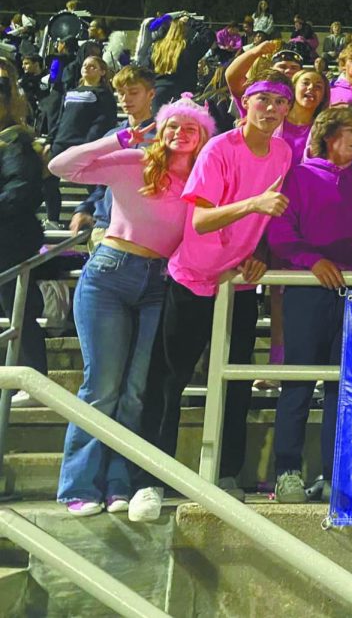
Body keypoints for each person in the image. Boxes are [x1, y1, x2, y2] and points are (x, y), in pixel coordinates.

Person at [129, 75, 294, 522]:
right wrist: (252, 205)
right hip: (190, 279)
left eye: (281, 102)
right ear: (245, 103)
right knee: (169, 383)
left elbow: (267, 215)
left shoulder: (283, 151)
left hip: (236, 283)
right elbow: (200, 220)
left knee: (236, 381)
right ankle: (148, 481)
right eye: (263, 99)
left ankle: (225, 475)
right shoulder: (219, 148)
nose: (272, 108)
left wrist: (258, 252)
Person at [50, 96, 214, 516]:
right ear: (160, 129)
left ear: (202, 138)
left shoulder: (202, 183)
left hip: (160, 283)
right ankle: (80, 485)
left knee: (137, 392)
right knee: (101, 387)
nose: (180, 134)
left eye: (190, 128)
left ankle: (119, 484)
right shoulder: (135, 161)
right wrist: (118, 139)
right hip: (110, 273)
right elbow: (61, 166)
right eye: (172, 126)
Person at [267, 107, 352, 503]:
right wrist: (311, 261)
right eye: (349, 131)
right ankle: (287, 473)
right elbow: (280, 233)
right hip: (307, 293)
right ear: (326, 135)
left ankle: (335, 476)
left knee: (343, 389)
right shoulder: (297, 178)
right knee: (298, 383)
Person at [70, 66, 158, 249]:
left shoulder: (165, 135)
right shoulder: (113, 136)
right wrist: (85, 208)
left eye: (133, 92)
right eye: (120, 93)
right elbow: (101, 187)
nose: (125, 99)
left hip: (147, 232)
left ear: (151, 94)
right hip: (106, 227)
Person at [0, 73, 47, 386]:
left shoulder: (15, 138)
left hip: (11, 240)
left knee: (20, 311)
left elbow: (23, 190)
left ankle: (34, 381)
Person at [44, 55, 118, 227]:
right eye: (85, 65)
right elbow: (60, 118)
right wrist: (50, 140)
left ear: (102, 71)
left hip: (85, 145)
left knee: (93, 184)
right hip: (61, 141)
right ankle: (53, 219)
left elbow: (104, 121)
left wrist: (89, 144)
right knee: (48, 180)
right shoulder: (71, 92)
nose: (87, 68)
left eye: (93, 66)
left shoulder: (104, 95)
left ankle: (95, 217)